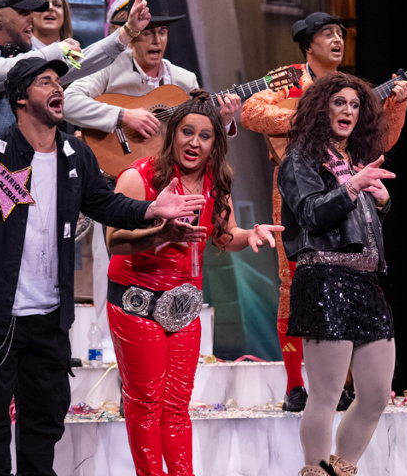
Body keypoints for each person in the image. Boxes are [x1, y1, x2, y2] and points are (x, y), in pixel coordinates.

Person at [0, 59, 203, 476]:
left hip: (48, 321)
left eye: (59, 82)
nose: (58, 89)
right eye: (45, 82)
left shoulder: (76, 154)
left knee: (43, 429)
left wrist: (151, 208)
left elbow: (106, 203)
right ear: (21, 99)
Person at [0, 0, 151, 423]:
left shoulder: (30, 60)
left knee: (18, 287)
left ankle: (18, 383)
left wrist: (124, 36)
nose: (32, 18)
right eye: (23, 11)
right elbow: (14, 71)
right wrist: (55, 52)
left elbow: (75, 65)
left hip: (13, 192)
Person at [105, 90, 282, 476]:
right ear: (172, 135)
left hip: (184, 307)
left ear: (215, 144)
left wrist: (248, 235)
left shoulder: (214, 183)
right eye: (187, 132)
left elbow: (224, 236)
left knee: (176, 406)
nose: (194, 143)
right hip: (137, 303)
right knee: (146, 404)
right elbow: (114, 241)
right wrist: (160, 234)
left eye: (205, 136)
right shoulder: (137, 177)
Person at [241, 11, 407, 412]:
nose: (337, 40)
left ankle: (341, 384)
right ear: (308, 44)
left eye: (341, 34)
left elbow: (382, 140)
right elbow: (250, 111)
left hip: (347, 186)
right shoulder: (289, 78)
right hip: (298, 185)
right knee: (293, 281)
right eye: (328, 33)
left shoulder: (351, 90)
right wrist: (310, 118)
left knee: (350, 283)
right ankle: (295, 384)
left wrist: (398, 105)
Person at [277, 72, 397, 476]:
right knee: (326, 394)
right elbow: (310, 213)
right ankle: (315, 469)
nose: (348, 111)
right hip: (324, 279)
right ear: (321, 109)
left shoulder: (355, 161)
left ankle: (342, 469)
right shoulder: (299, 160)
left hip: (366, 281)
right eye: (339, 102)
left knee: (377, 393)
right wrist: (352, 188)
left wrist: (381, 203)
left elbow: (358, 227)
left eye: (355, 105)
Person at [64, 0, 240, 143]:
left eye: (162, 32)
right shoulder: (109, 67)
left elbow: (198, 138)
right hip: (114, 165)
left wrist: (224, 121)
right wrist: (123, 115)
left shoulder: (185, 80)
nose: (156, 41)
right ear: (132, 38)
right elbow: (67, 102)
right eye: (148, 32)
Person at [29, 0, 150, 84]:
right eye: (43, 4)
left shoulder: (80, 51)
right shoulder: (20, 52)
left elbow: (93, 58)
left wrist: (129, 30)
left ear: (65, 14)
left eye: (57, 5)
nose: (50, 8)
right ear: (29, 13)